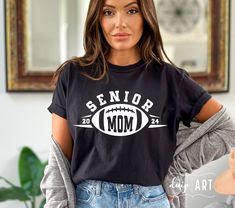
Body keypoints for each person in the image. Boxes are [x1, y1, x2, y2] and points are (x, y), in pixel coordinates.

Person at [47, 0, 223, 207]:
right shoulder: (73, 75)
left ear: (146, 16)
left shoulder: (170, 79)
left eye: (132, 11)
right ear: (97, 18)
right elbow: (59, 159)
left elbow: (226, 129)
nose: (120, 23)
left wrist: (176, 168)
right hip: (90, 200)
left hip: (152, 199)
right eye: (108, 12)